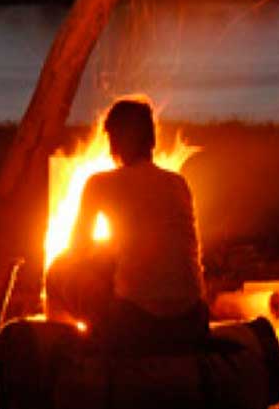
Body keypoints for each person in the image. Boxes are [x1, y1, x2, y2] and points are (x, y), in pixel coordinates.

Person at [45, 96, 208, 352]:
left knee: (56, 272)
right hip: (192, 319)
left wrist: (103, 254)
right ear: (152, 141)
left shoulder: (99, 183)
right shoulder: (178, 183)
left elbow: (78, 249)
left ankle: (61, 356)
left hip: (136, 323)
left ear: (113, 142)